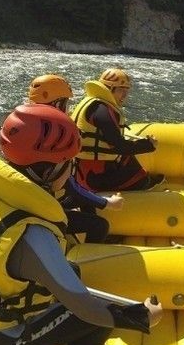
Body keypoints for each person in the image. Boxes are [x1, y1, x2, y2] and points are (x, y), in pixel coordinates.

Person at [0, 104, 162, 345]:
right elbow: (88, 309)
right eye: (69, 163)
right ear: (50, 170)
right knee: (94, 318)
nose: (73, 171)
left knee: (71, 271)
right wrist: (142, 317)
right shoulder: (33, 234)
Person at [28, 73, 123, 243]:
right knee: (100, 225)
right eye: (65, 103)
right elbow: (70, 186)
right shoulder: (56, 138)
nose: (68, 109)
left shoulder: (25, 125)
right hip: (42, 211)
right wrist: (106, 203)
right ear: (57, 104)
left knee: (85, 204)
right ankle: (89, 260)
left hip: (32, 200)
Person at [70, 68, 163, 192]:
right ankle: (144, 184)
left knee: (126, 158)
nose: (125, 95)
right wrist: (148, 145)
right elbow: (118, 146)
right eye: (120, 90)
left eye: (126, 90)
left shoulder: (91, 102)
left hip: (80, 170)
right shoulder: (102, 110)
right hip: (95, 177)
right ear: (109, 89)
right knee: (138, 174)